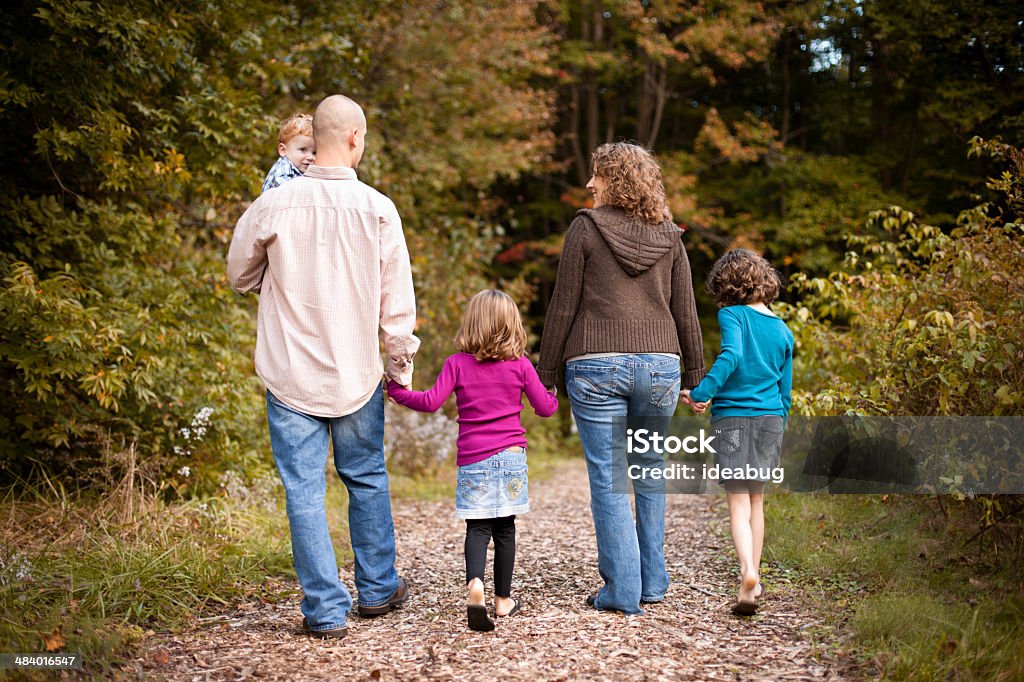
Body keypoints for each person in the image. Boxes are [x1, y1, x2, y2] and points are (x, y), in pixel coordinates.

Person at [227, 95, 419, 639]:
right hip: (356, 372)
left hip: (289, 372)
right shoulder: (378, 208)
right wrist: (399, 369)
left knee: (304, 490)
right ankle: (378, 590)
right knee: (366, 477)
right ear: (356, 139)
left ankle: (325, 610)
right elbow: (396, 306)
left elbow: (240, 275)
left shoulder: (273, 205)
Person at [537, 142, 705, 615]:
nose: (590, 184)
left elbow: (563, 304)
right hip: (659, 366)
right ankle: (651, 581)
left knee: (609, 479)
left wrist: (545, 372)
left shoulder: (584, 229)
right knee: (650, 469)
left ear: (617, 181)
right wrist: (695, 374)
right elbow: (684, 311)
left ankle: (622, 589)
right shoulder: (670, 236)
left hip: (596, 363)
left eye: (597, 175)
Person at [387, 290, 558, 632]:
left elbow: (431, 401)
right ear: (512, 327)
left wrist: (397, 391)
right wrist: (550, 396)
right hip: (510, 457)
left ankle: (475, 583)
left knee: (478, 527)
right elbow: (545, 408)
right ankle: (503, 600)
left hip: (473, 458)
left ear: (472, 323)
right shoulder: (521, 364)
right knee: (505, 528)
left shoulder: (457, 363)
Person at [682, 248, 794, 616]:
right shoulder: (782, 328)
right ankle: (755, 579)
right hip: (770, 420)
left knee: (737, 502)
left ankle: (746, 570)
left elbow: (729, 356)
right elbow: (785, 391)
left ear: (726, 286)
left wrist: (701, 393)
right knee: (757, 501)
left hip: (732, 420)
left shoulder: (732, 315)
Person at [261, 112, 316, 193]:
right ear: (283, 150)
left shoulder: (302, 170)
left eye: (314, 152)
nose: (310, 157)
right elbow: (288, 193)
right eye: (303, 150)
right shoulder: (283, 169)